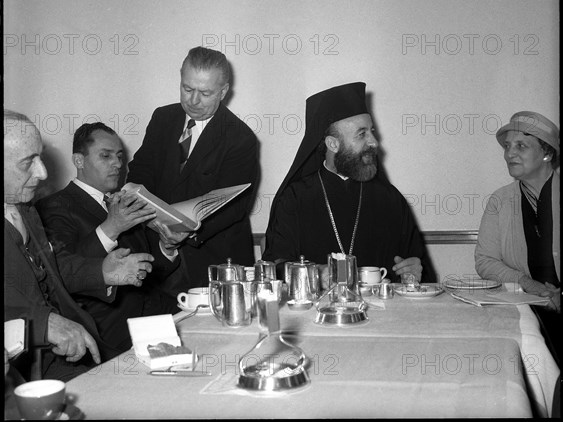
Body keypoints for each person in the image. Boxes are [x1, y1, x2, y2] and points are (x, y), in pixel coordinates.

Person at [4, 110, 152, 381]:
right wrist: (43, 323)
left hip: (55, 358)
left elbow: (53, 273)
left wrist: (102, 273)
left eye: (41, 157)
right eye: (28, 162)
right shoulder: (51, 206)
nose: (43, 172)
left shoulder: (25, 210)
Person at [262, 82, 436, 285]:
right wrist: (314, 273)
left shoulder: (390, 199)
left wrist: (415, 272)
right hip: (316, 314)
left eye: (372, 131)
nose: (374, 142)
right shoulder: (295, 198)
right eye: (362, 134)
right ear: (333, 144)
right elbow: (274, 268)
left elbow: (417, 266)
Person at [36, 122, 181, 357]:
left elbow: (148, 270)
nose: (117, 164)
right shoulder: (53, 207)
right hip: (106, 332)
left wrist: (167, 246)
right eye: (105, 156)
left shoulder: (123, 202)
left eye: (120, 157)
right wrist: (110, 228)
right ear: (79, 161)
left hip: (156, 318)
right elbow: (62, 274)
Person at [127, 46, 258, 290]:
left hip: (213, 262)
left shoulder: (241, 139)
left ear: (223, 92)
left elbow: (233, 207)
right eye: (187, 89)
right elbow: (140, 171)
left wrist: (186, 232)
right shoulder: (162, 118)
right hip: (158, 257)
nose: (193, 101)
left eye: (205, 93)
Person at [475, 111, 560, 363]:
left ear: (547, 153)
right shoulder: (500, 200)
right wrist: (528, 284)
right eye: (508, 146)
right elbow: (485, 261)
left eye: (521, 145)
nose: (509, 153)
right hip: (524, 312)